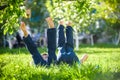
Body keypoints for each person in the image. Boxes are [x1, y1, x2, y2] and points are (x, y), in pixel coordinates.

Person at [20, 17, 88, 66]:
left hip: (50, 63)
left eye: (44, 55)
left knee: (38, 52)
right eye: (44, 55)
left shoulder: (50, 60)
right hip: (51, 64)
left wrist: (82, 59)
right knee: (51, 50)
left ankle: (57, 27)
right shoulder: (53, 60)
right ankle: (53, 27)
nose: (44, 55)